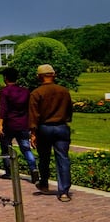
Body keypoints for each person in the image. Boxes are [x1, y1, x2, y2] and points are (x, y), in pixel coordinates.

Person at [29, 64, 74, 202]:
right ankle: (64, 191)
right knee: (63, 159)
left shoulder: (36, 93)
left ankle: (44, 183)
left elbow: (34, 115)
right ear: (53, 75)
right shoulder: (64, 91)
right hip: (61, 127)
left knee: (44, 157)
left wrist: (33, 133)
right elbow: (69, 110)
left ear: (39, 77)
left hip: (45, 128)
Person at [0, 67, 38, 181]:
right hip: (23, 124)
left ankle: (9, 172)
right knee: (26, 148)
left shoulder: (5, 91)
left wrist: (0, 125)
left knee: (6, 148)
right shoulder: (25, 91)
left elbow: (3, 109)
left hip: (9, 124)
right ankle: (33, 168)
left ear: (5, 78)